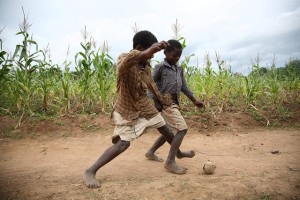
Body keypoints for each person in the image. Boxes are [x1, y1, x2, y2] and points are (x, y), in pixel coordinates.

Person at [83, 31, 193, 189]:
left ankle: (177, 154)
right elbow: (133, 58)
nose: (153, 56)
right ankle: (90, 170)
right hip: (127, 109)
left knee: (166, 129)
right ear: (141, 48)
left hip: (145, 106)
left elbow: (152, 86)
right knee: (123, 144)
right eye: (152, 51)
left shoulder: (146, 66)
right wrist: (149, 51)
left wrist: (163, 100)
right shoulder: (125, 59)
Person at [145, 39, 205, 163]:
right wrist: (156, 101)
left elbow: (183, 87)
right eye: (174, 55)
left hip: (174, 104)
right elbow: (149, 84)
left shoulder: (179, 68)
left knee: (169, 131)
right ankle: (171, 160)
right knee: (182, 129)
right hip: (165, 104)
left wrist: (194, 100)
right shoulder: (160, 67)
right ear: (166, 53)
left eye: (179, 56)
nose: (177, 58)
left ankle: (150, 152)